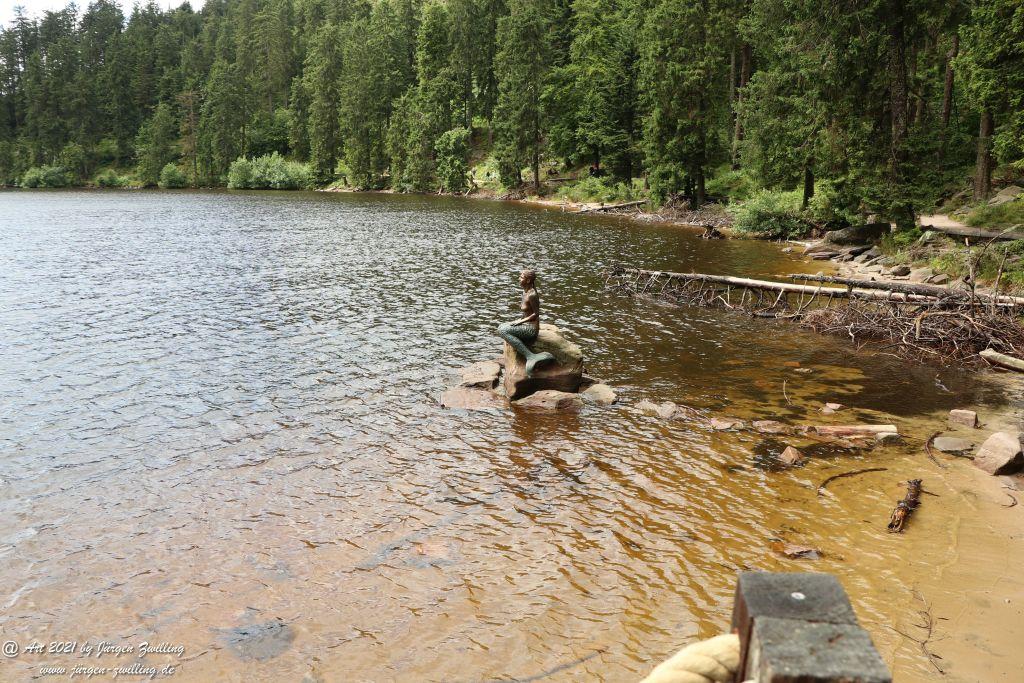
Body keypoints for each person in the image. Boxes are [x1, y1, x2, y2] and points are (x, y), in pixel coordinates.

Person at [497, 270, 555, 377]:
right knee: (501, 326)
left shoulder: (532, 295)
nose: (519, 279)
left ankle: (530, 356)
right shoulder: (525, 292)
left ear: (528, 280)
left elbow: (536, 314)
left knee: (503, 330)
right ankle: (529, 355)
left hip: (531, 329)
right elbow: (525, 312)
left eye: (521, 277)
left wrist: (520, 321)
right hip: (524, 324)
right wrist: (517, 321)